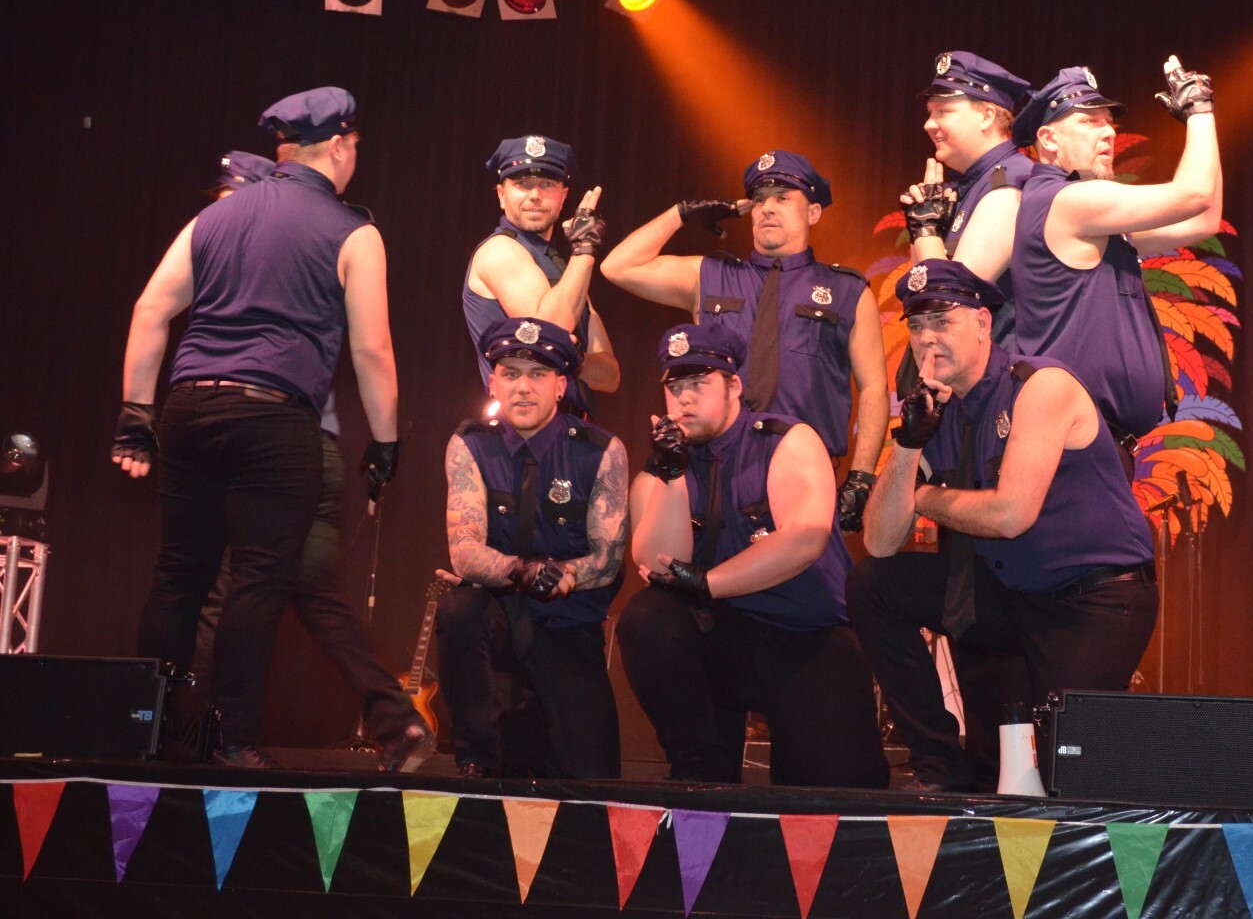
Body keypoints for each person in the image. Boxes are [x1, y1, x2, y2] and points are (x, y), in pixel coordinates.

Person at [112, 86, 422, 770]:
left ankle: (144, 732)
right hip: (273, 419)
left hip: (189, 407)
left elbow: (149, 309)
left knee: (179, 575)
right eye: (354, 147)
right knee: (258, 580)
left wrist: (136, 414)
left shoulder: (212, 218)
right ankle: (234, 742)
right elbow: (372, 350)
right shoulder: (354, 232)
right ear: (337, 146)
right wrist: (385, 441)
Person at [850, 260, 1158, 792]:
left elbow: (1012, 515)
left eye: (941, 321)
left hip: (1094, 601)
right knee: (873, 585)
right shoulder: (938, 410)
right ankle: (938, 767)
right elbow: (878, 540)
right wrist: (908, 442)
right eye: (916, 327)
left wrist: (923, 496)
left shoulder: (1040, 385)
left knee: (1064, 778)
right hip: (1016, 593)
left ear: (983, 324)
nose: (926, 339)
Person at [187, 149, 430, 768]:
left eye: (234, 200)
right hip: (307, 449)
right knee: (312, 591)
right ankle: (396, 718)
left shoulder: (265, 250)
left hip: (284, 449)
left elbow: (369, 349)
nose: (226, 216)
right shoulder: (289, 243)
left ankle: (200, 734)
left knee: (229, 590)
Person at [615, 324, 889, 788]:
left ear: (734, 386)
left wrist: (708, 583)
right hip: (720, 638)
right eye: (674, 388)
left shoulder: (785, 439)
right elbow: (658, 565)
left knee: (833, 794)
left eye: (698, 383)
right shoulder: (663, 466)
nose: (684, 399)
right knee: (647, 617)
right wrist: (671, 475)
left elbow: (804, 539)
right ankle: (700, 768)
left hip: (803, 637)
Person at [600, 151, 887, 531]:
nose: (767, 208)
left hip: (804, 474)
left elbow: (874, 387)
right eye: (759, 199)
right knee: (701, 568)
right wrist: (680, 215)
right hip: (714, 471)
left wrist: (862, 477)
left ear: (813, 212)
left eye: (782, 197)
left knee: (800, 568)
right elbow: (618, 267)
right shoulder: (712, 275)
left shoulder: (847, 291)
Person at [434, 317, 627, 779]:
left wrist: (560, 575)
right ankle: (474, 759)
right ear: (493, 383)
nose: (523, 387)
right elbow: (464, 550)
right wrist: (523, 570)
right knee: (459, 608)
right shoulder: (469, 446)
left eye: (538, 374)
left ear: (561, 386)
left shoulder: (601, 450)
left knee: (594, 780)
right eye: (510, 374)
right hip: (498, 619)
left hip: (567, 623)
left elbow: (608, 559)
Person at [1008, 59, 1222, 461]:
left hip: (1092, 444)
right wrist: (1199, 111)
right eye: (1090, 122)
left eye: (1110, 124)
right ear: (1048, 140)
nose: (1108, 132)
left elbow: (1204, 218)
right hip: (1073, 446)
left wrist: (1203, 118)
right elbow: (1195, 195)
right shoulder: (1066, 200)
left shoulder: (1091, 218)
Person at [462, 135, 619, 417]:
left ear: (563, 197)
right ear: (501, 195)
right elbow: (548, 333)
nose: (535, 195)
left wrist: (572, 356)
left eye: (547, 184)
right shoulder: (499, 250)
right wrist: (585, 249)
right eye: (522, 183)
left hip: (568, 430)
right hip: (518, 432)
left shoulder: (564, 269)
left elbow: (610, 376)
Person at [900, 50, 1034, 348]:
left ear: (987, 116)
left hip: (1000, 370)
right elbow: (918, 286)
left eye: (943, 111)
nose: (929, 124)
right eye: (930, 112)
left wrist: (926, 231)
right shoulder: (972, 185)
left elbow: (948, 303)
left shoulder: (1010, 183)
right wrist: (924, 231)